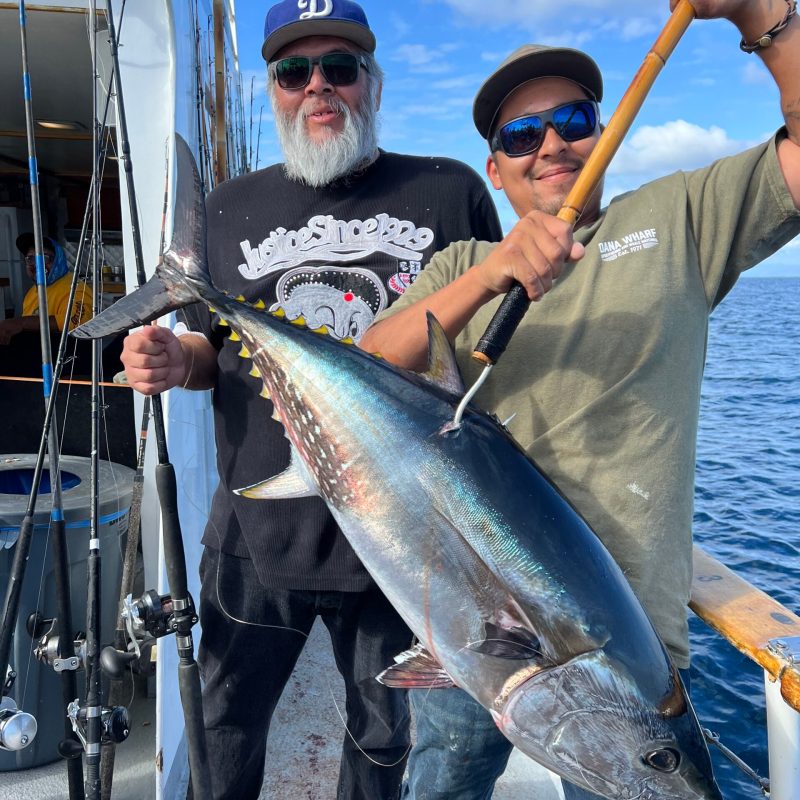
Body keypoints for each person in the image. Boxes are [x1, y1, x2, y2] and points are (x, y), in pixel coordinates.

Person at [360, 1, 800, 798]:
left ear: (604, 133)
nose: (552, 146)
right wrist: (489, 275)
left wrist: (767, 20)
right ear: (494, 168)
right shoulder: (462, 260)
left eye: (572, 120)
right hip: (475, 624)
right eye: (521, 136)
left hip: (625, 651)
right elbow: (369, 363)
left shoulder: (680, 220)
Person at [119, 1, 502, 798]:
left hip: (401, 543)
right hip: (256, 531)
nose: (318, 87)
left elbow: (487, 358)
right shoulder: (227, 207)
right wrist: (167, 356)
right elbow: (210, 354)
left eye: (340, 68)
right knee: (222, 735)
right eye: (295, 72)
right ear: (274, 89)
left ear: (374, 82)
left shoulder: (449, 192)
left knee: (380, 747)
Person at [0, 233, 92, 346]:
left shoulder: (76, 287)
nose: (37, 265)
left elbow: (77, 323)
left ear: (58, 259)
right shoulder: (32, 292)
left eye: (44, 258)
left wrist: (21, 323)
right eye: (30, 259)